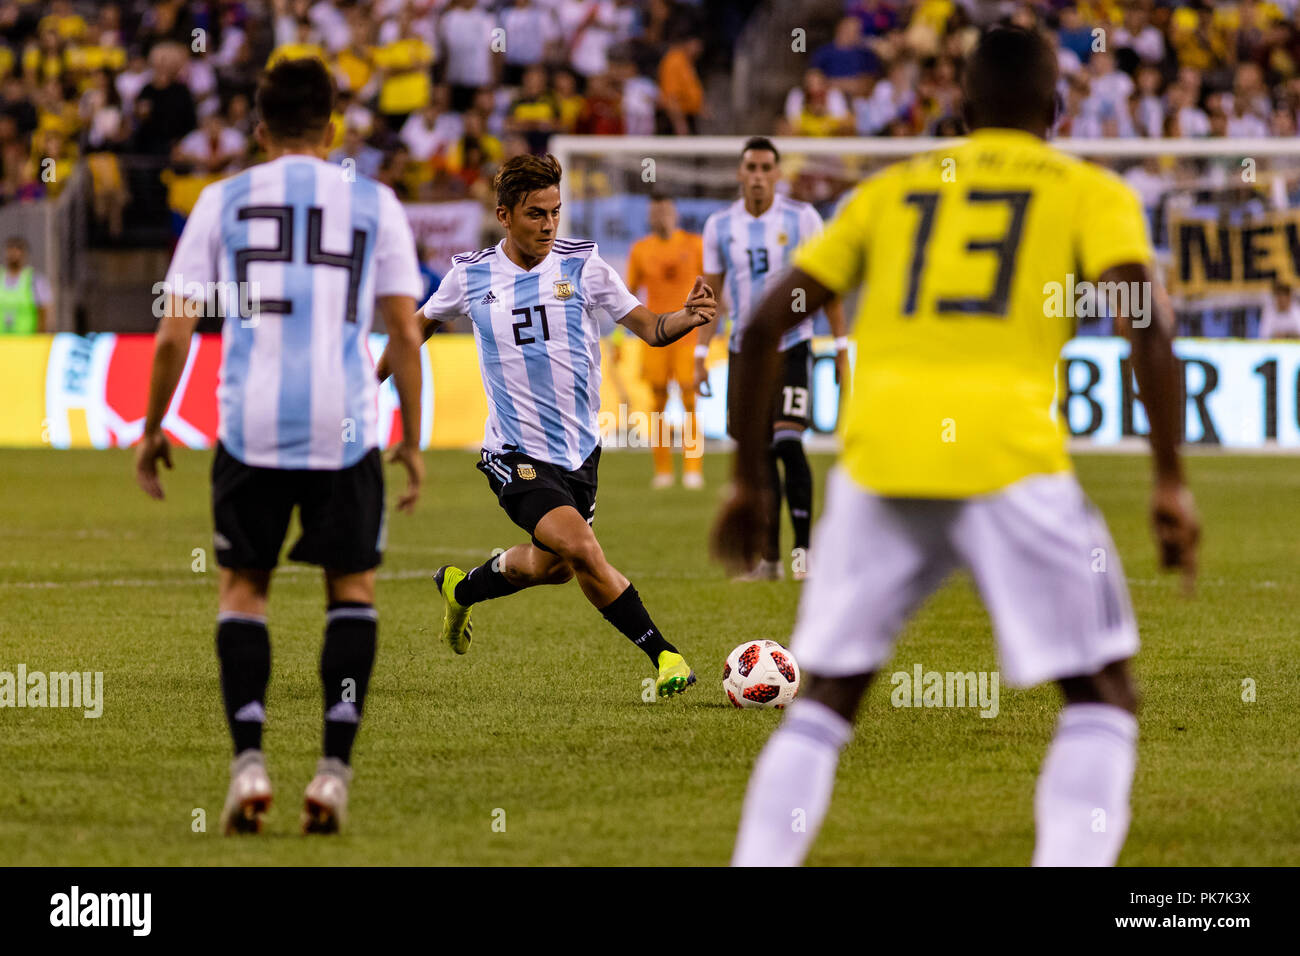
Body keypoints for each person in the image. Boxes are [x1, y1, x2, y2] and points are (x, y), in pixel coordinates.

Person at [714, 26, 1201, 867]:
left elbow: (759, 329)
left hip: (879, 463)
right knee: (1101, 693)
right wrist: (1170, 482)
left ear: (961, 108)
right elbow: (1148, 326)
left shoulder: (891, 191)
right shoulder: (1089, 191)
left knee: (826, 699)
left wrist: (748, 485)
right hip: (1010, 461)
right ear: (1057, 111)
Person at [133, 58, 427, 837]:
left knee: (244, 591)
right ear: (333, 129)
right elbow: (403, 333)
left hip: (251, 423)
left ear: (258, 130)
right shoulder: (375, 202)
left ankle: (250, 764)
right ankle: (332, 774)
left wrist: (153, 425)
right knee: (352, 591)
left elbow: (173, 333)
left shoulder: (220, 199)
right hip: (346, 426)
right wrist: (415, 441)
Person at [374, 153, 715, 699]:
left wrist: (686, 318)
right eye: (536, 214)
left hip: (579, 453)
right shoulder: (472, 274)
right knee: (581, 547)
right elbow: (414, 331)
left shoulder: (585, 267)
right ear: (504, 215)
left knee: (552, 566)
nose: (549, 225)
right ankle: (666, 655)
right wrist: (368, 384)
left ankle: (463, 588)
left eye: (555, 212)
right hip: (512, 451)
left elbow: (650, 328)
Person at [697, 136, 850, 581]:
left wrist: (841, 350)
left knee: (787, 442)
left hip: (793, 345)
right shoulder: (719, 225)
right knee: (758, 455)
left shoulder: (802, 218)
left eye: (767, 168)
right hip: (743, 352)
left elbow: (828, 284)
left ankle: (802, 555)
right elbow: (711, 296)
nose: (759, 176)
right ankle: (769, 559)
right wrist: (702, 351)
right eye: (752, 168)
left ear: (777, 174)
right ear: (740, 174)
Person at [626, 194, 705, 488]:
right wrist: (621, 337)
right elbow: (628, 296)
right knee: (658, 402)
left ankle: (693, 469)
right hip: (655, 335)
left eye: (665, 211)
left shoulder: (694, 245)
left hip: (688, 336)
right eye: (655, 212)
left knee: (689, 400)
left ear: (675, 213)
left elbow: (712, 286)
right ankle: (663, 470)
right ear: (649, 217)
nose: (661, 217)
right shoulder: (640, 250)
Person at [0, 236, 51, 333]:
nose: (13, 255)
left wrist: (40, 336)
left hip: (26, 341)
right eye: (11, 250)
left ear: (24, 254)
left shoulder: (35, 280)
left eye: (17, 250)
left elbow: (43, 311)